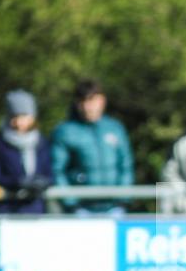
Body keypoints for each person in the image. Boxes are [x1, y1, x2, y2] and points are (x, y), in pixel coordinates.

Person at [51, 79, 134, 215]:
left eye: (92, 100)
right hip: (81, 210)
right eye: (83, 101)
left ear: (102, 101)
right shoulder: (65, 131)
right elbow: (57, 170)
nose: (87, 107)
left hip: (114, 208)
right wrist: (71, 204)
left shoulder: (115, 128)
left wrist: (123, 200)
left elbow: (126, 166)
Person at [0, 90, 52, 214]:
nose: (19, 122)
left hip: (35, 210)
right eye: (14, 116)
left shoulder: (42, 143)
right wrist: (18, 182)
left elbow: (49, 173)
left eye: (24, 116)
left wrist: (42, 183)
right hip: (5, 210)